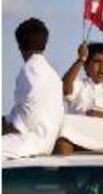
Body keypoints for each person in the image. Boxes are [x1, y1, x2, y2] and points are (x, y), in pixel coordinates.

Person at [2, 18, 64, 159]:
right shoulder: (52, 74)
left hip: (31, 140)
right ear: (45, 44)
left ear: (19, 45)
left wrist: (10, 127)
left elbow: (24, 120)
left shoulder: (28, 70)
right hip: (44, 138)